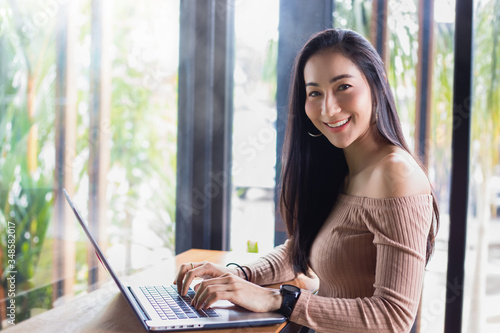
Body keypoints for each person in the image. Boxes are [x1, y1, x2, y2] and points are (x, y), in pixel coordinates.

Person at [174, 28, 439, 333]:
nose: (328, 108)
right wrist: (239, 275)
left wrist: (279, 300)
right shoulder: (343, 165)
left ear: (375, 87)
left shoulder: (395, 174)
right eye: (314, 92)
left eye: (343, 87)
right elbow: (301, 249)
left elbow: (393, 318)